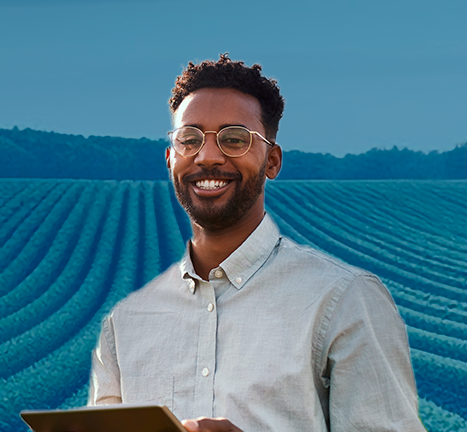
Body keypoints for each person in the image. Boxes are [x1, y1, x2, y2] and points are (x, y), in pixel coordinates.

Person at [88, 54, 426, 431]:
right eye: (189, 139)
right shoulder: (126, 324)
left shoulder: (345, 300)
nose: (208, 156)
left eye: (235, 139)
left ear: (272, 161)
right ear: (170, 159)